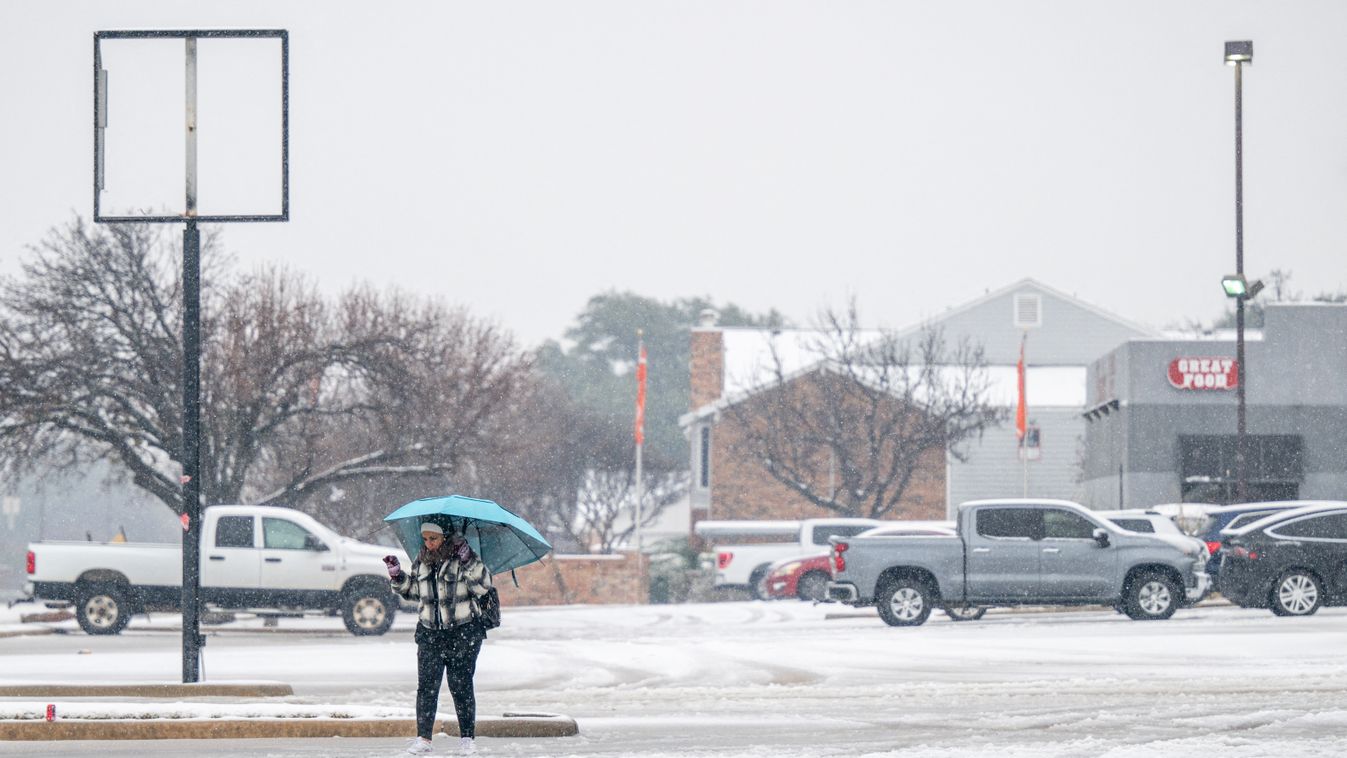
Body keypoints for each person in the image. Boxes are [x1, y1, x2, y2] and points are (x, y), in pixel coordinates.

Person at [385, 522, 493, 755]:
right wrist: (398, 576)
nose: (429, 543)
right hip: (430, 633)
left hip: (462, 632)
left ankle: (467, 738)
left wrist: (468, 560)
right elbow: (414, 592)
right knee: (426, 688)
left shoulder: (462, 559)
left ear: (444, 537)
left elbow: (483, 586)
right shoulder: (422, 560)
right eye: (425, 539)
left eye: (433, 538)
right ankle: (424, 739)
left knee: (461, 686)